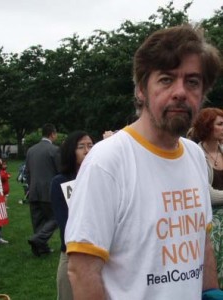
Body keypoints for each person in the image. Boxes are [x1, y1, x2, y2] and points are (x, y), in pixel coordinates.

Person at [65, 24, 223, 299]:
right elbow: (82, 270)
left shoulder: (194, 155)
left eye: (192, 82)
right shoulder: (107, 161)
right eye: (166, 79)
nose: (180, 92)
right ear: (141, 90)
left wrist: (211, 293)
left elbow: (202, 242)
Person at [51, 131, 94, 300]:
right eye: (81, 147)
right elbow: (65, 223)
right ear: (71, 151)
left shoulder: (101, 176)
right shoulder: (60, 181)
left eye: (90, 145)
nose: (87, 150)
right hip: (72, 252)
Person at [192, 107, 223, 289]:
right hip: (213, 218)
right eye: (220, 124)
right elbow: (207, 194)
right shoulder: (196, 155)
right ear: (207, 127)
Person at [26, 123, 60, 256]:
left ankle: (40, 248)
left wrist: (30, 187)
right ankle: (38, 240)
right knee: (55, 217)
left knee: (38, 221)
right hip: (49, 190)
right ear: (52, 134)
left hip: (33, 190)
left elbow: (27, 172)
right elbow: (60, 171)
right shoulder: (54, 150)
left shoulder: (31, 150)